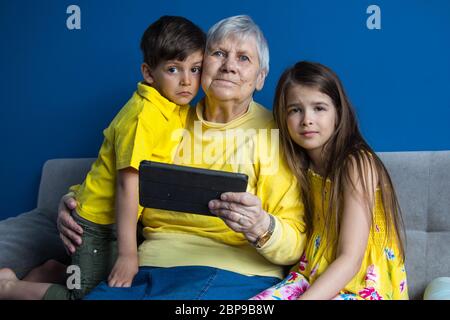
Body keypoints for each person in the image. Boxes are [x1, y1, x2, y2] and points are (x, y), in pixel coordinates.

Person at [56, 15, 306, 300]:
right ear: (203, 64)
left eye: (244, 58)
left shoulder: (276, 134)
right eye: (219, 53)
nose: (228, 66)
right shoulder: (167, 117)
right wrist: (74, 200)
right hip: (148, 268)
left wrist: (262, 226)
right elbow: (119, 171)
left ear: (260, 78)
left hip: (234, 271)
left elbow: (297, 239)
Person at [0, 15, 206, 300]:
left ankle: (51, 271)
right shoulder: (143, 117)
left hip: (118, 221)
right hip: (97, 222)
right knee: (85, 296)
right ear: (149, 73)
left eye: (195, 69)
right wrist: (127, 254)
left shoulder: (175, 106)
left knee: (102, 281)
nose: (187, 81)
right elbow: (126, 185)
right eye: (173, 69)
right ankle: (8, 286)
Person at [251, 61, 409, 300]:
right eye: (295, 110)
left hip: (361, 284)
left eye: (319, 108)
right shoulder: (298, 164)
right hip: (311, 276)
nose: (307, 120)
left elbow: (351, 259)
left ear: (338, 111)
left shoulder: (356, 163)